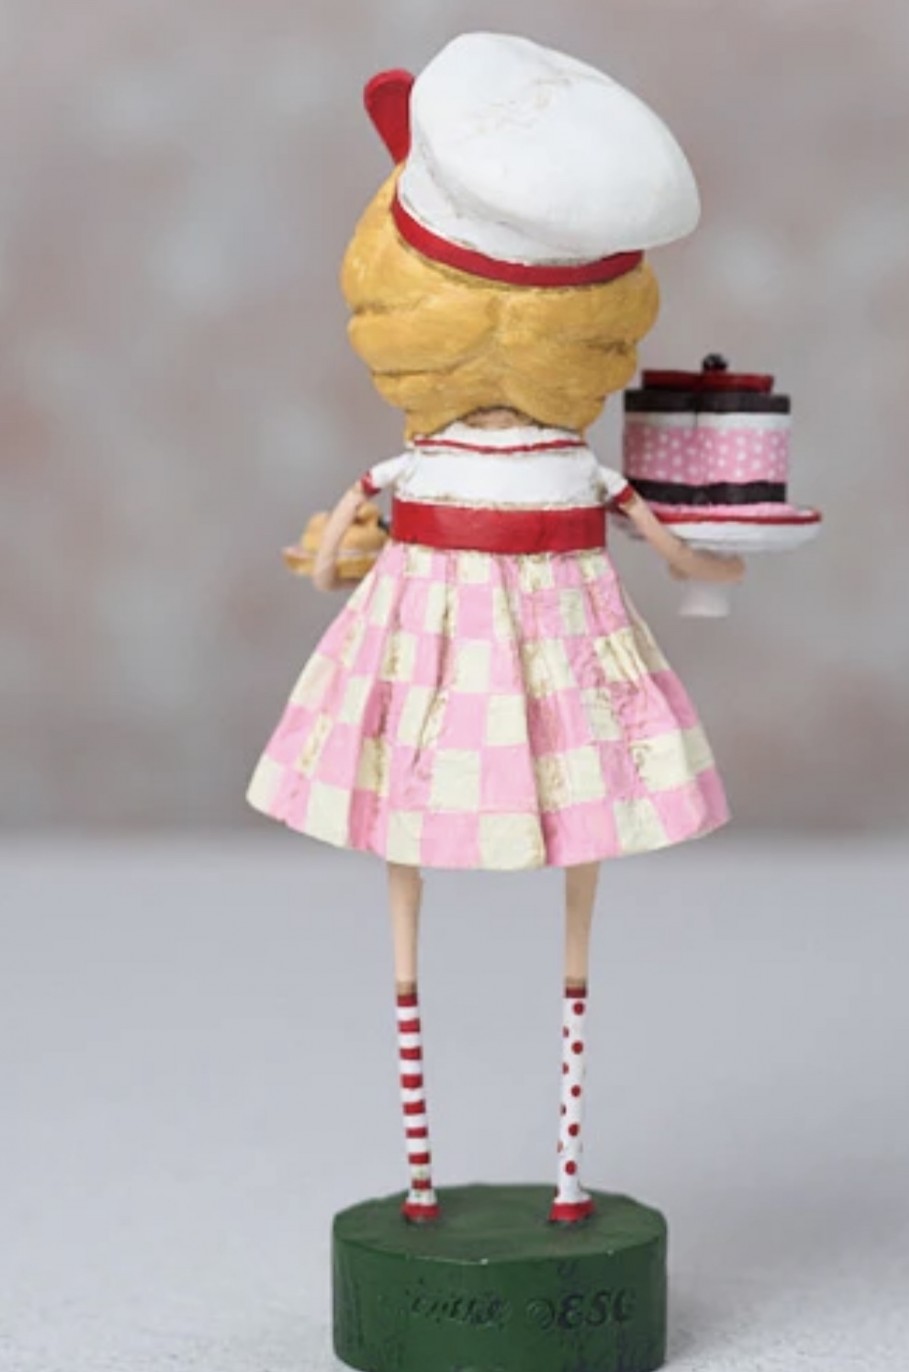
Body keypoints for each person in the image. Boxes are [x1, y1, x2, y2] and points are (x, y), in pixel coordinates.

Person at [247, 32, 743, 1225]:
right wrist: (711, 568)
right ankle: (503, 1172)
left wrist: (330, 561)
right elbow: (670, 546)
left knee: (425, 856)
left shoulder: (441, 466)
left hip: (431, 659)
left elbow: (334, 549)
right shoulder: (553, 471)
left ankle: (474, 1174)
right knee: (563, 851)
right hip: (550, 654)